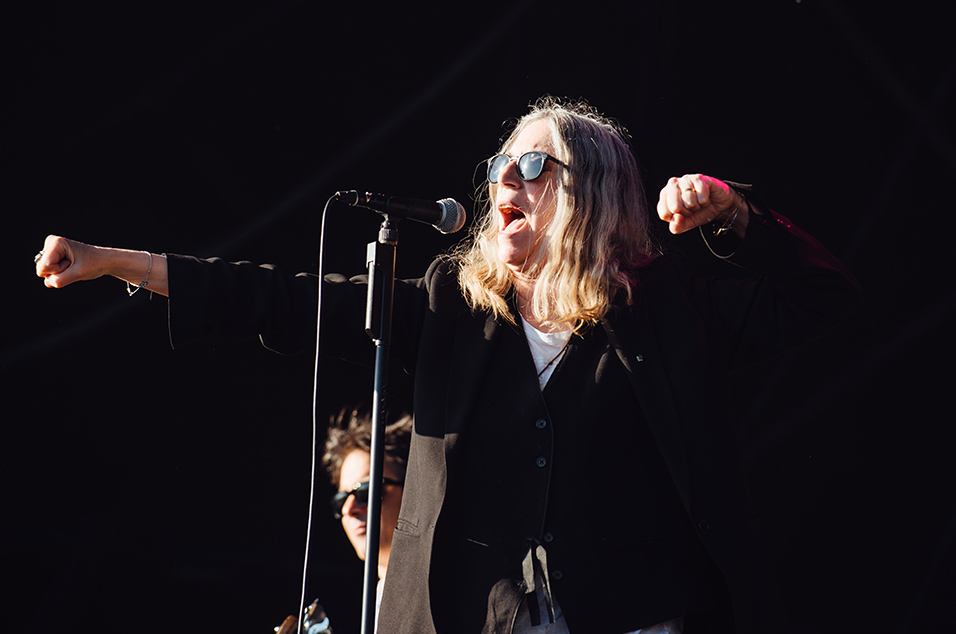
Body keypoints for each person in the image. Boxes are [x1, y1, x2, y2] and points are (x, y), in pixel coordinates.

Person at [36, 96, 862, 633]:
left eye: (533, 165)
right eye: (501, 163)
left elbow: (826, 300)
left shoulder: (667, 313)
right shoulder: (450, 310)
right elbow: (287, 299)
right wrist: (119, 262)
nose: (506, 177)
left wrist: (735, 215)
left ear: (594, 193)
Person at [275, 406, 413, 634]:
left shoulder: (452, 587)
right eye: (341, 500)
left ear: (413, 489)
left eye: (365, 491)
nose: (349, 509)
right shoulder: (381, 600)